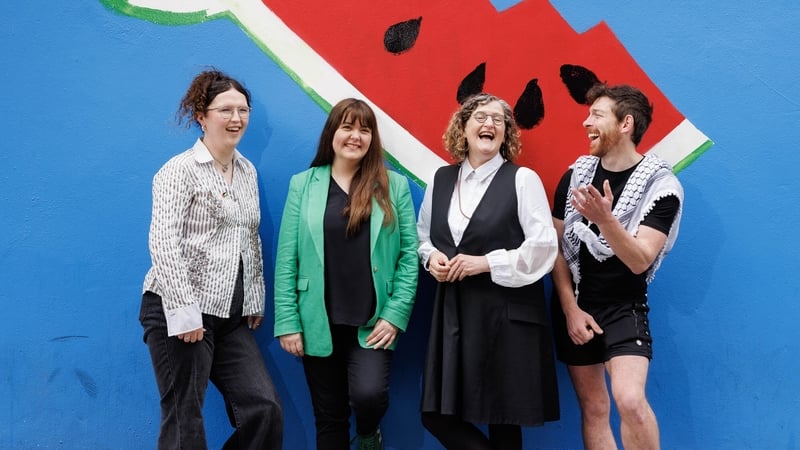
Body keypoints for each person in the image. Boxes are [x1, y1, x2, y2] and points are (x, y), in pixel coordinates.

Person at [139, 69, 283, 450]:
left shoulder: (247, 171)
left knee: (264, 409)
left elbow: (248, 237)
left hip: (231, 316)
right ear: (201, 116)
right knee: (185, 418)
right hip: (180, 310)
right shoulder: (178, 170)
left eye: (243, 109)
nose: (236, 118)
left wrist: (254, 298)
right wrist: (184, 311)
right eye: (225, 110)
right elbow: (163, 241)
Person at [273, 98, 418, 450]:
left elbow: (409, 256)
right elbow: (286, 257)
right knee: (329, 417)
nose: (355, 136)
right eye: (347, 127)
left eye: (364, 130)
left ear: (372, 139)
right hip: (316, 320)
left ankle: (369, 434)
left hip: (373, 320)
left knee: (369, 396)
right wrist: (288, 320)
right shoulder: (303, 185)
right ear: (332, 133)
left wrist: (396, 315)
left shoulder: (392, 186)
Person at [417, 93, 560, 450]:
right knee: (435, 414)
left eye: (499, 120)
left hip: (505, 313)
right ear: (463, 128)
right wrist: (431, 258)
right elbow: (423, 235)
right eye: (480, 117)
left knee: (503, 419)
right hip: (454, 313)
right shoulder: (442, 179)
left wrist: (486, 263)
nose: (490, 124)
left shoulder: (523, 179)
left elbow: (543, 247)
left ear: (506, 134)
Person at [550, 83, 683, 450]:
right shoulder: (575, 176)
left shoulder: (661, 186)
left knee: (629, 399)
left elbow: (641, 259)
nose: (585, 122)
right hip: (575, 306)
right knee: (594, 408)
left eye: (596, 115)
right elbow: (557, 250)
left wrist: (606, 220)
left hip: (624, 307)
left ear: (626, 124)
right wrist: (570, 310)